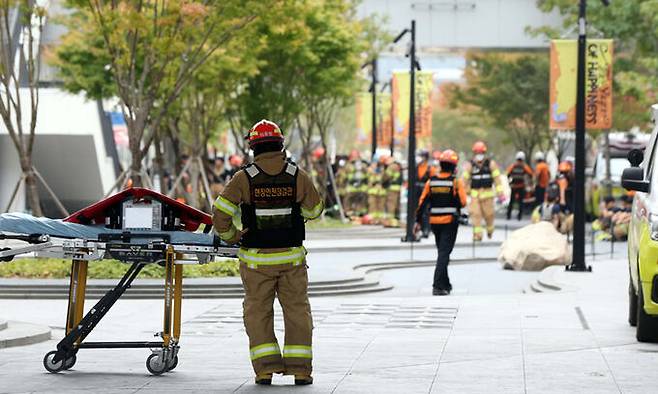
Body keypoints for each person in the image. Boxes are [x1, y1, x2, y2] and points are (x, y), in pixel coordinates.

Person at [212, 119, 323, 386]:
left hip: (256, 262)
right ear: (280, 144)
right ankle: (301, 370)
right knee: (297, 312)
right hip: (292, 261)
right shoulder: (297, 175)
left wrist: (232, 236)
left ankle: (265, 370)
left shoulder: (243, 178)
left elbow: (220, 213)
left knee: (258, 313)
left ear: (253, 147)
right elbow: (314, 211)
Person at [416, 150, 467, 295]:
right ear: (453, 166)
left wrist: (417, 221)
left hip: (435, 223)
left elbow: (422, 203)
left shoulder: (431, 182)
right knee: (444, 253)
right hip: (450, 223)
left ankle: (446, 283)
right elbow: (463, 202)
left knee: (442, 252)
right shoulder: (455, 182)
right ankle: (438, 285)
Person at [462, 141, 504, 241]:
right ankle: (477, 235)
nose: (479, 155)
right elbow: (464, 180)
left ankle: (490, 230)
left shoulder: (491, 164)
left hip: (488, 195)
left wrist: (500, 192)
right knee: (475, 214)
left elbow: (497, 179)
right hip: (475, 195)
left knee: (489, 215)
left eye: (481, 153)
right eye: (477, 153)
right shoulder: (470, 165)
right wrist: (465, 191)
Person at [506, 151, 533, 221]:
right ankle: (519, 216)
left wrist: (509, 182)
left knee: (512, 201)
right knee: (521, 202)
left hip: (514, 186)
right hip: (521, 186)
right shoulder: (524, 166)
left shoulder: (513, 166)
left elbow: (508, 173)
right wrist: (529, 182)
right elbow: (530, 174)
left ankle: (508, 216)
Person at [416, 149, 432, 237]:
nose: (419, 158)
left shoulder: (430, 168)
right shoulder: (416, 167)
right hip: (417, 192)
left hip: (426, 192)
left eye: (421, 156)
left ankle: (426, 229)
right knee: (418, 211)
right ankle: (419, 228)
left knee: (426, 211)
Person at [382, 156, 402, 227]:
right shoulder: (398, 166)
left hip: (391, 188)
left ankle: (390, 221)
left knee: (391, 204)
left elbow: (386, 177)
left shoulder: (391, 167)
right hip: (397, 188)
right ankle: (396, 219)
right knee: (397, 204)